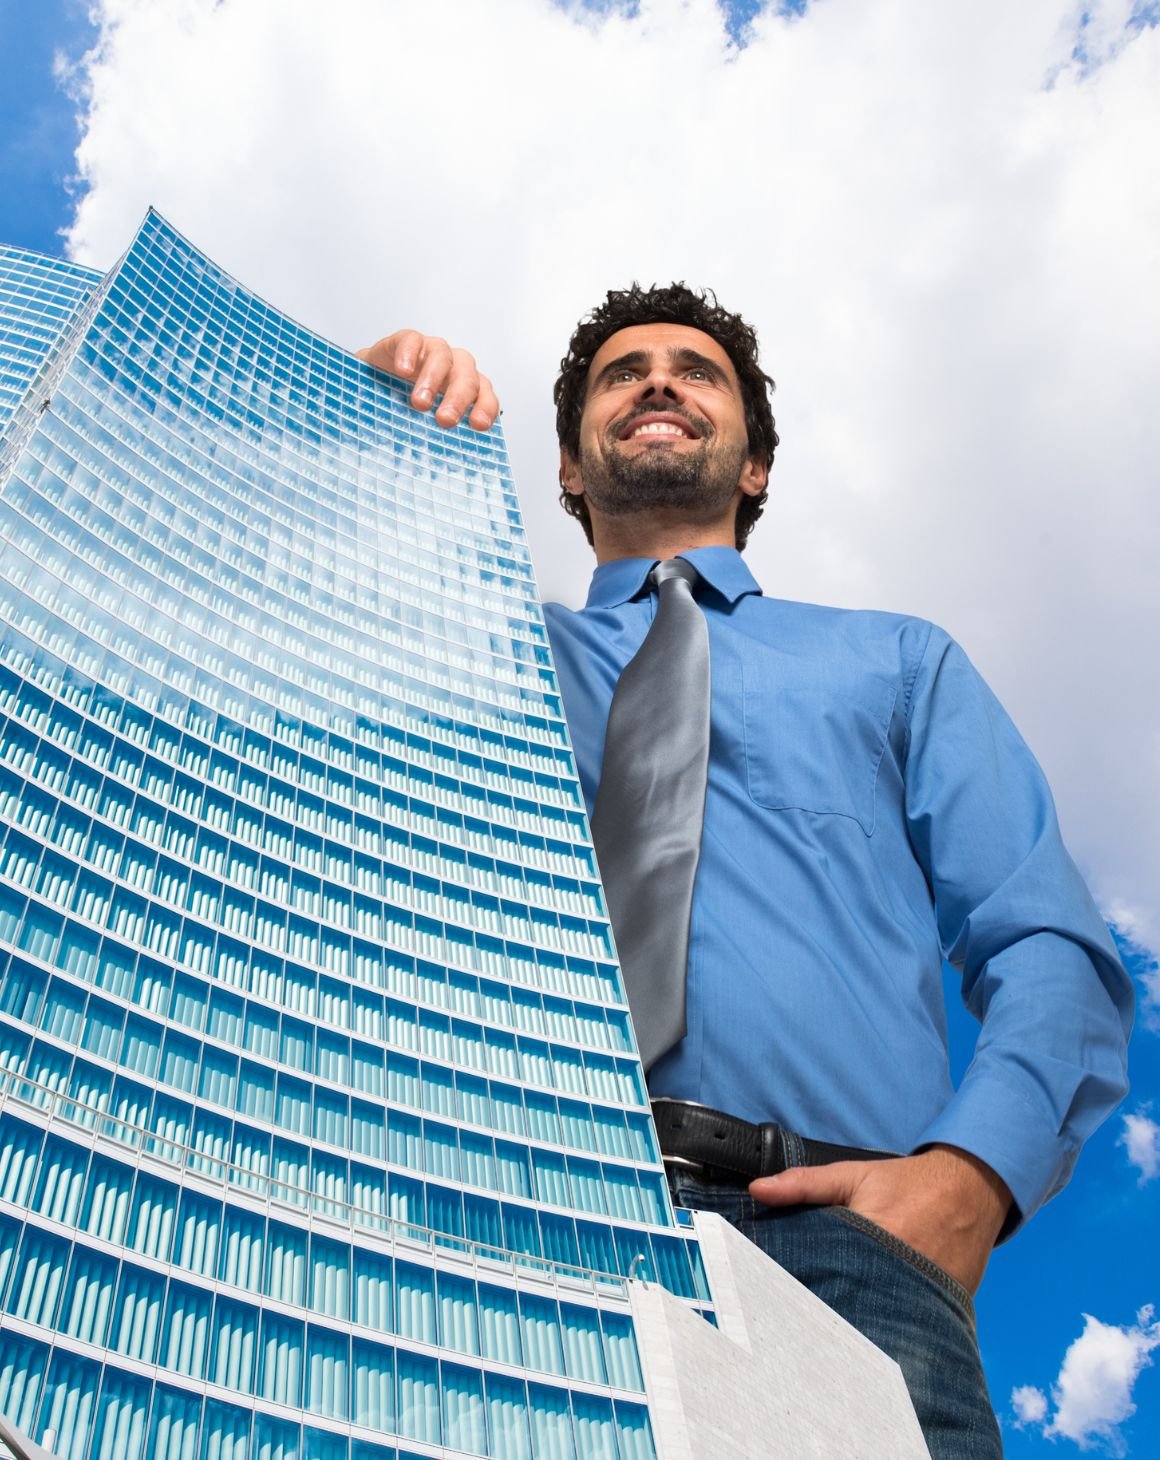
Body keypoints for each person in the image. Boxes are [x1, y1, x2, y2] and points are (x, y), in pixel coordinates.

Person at [358, 290, 1132, 1460]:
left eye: (693, 371)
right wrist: (352, 420)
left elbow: (1041, 944)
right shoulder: (475, 655)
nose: (658, 383)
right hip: (494, 1220)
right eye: (623, 374)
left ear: (756, 466)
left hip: (837, 1248)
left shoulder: (892, 661)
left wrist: (969, 1178)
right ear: (568, 467)